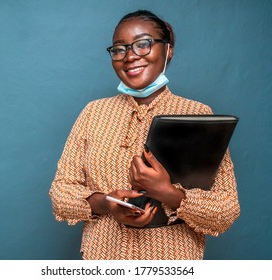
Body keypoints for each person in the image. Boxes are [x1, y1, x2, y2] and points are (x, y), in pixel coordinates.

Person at [49, 10, 240, 260]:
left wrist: (167, 192)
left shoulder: (197, 114)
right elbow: (60, 193)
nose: (129, 56)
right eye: (119, 49)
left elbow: (225, 211)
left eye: (143, 44)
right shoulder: (93, 113)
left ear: (168, 49)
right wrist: (106, 202)